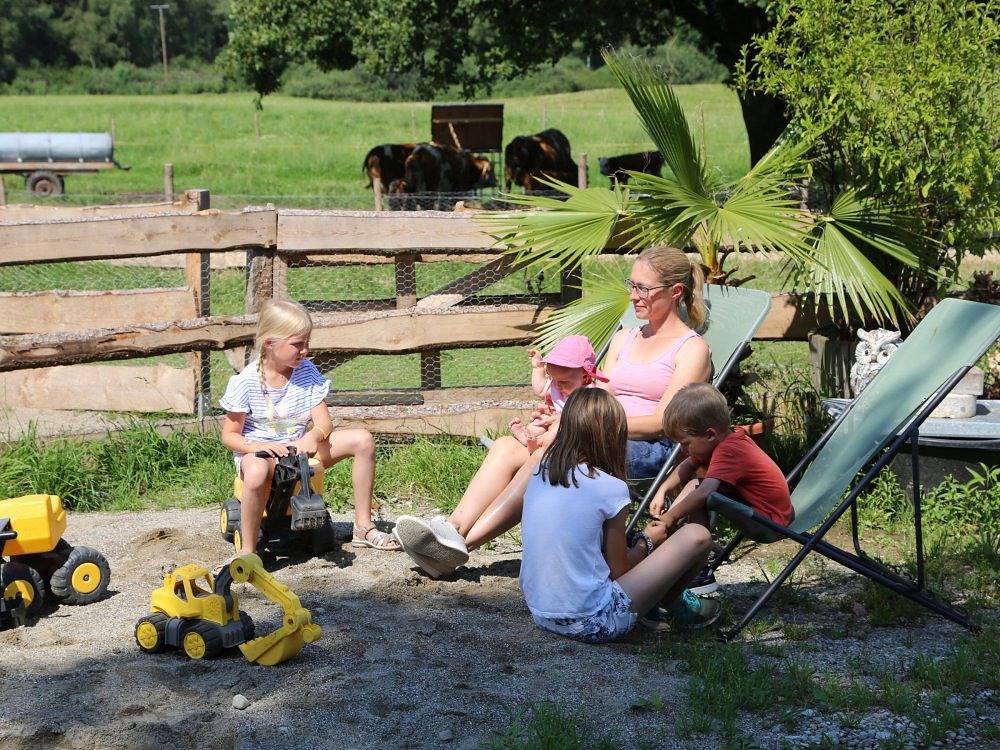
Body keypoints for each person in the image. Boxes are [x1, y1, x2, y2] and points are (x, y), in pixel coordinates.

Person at [394, 246, 712, 577]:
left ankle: (461, 546)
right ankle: (451, 529)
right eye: (630, 285)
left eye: (642, 288)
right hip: (595, 434)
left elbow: (665, 422)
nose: (633, 296)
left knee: (545, 455)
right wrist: (565, 414)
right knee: (506, 446)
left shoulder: (691, 349)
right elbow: (598, 392)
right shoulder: (624, 339)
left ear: (675, 292)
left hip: (646, 448)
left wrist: (581, 425)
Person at [520, 388, 718, 643]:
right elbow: (620, 571)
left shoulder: (541, 471)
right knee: (697, 535)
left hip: (540, 612)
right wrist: (647, 540)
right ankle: (670, 603)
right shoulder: (610, 488)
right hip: (593, 621)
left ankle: (663, 602)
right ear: (614, 435)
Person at [219, 300, 401, 556]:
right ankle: (248, 551)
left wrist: (313, 436)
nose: (305, 350)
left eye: (307, 342)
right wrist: (259, 447)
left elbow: (325, 422)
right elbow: (229, 436)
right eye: (297, 344)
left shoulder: (306, 371)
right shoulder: (246, 381)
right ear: (270, 343)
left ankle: (363, 527)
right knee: (257, 469)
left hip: (301, 449)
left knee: (363, 440)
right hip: (264, 455)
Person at [644, 382, 793, 602]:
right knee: (696, 486)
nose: (683, 450)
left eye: (685, 443)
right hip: (767, 512)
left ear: (710, 434)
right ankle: (688, 546)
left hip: (769, 523)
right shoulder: (724, 439)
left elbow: (705, 492)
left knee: (701, 492)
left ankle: (696, 558)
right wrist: (662, 490)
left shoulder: (729, 450)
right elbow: (688, 467)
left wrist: (670, 516)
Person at [509, 335, 608, 452]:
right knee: (540, 421)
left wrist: (561, 419)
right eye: (552, 379)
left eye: (563, 381)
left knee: (556, 429)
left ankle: (538, 445)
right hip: (554, 421)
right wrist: (538, 368)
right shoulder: (557, 384)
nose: (556, 385)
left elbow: (587, 418)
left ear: (585, 377)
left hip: (575, 431)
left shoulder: (589, 393)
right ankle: (527, 436)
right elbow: (540, 390)